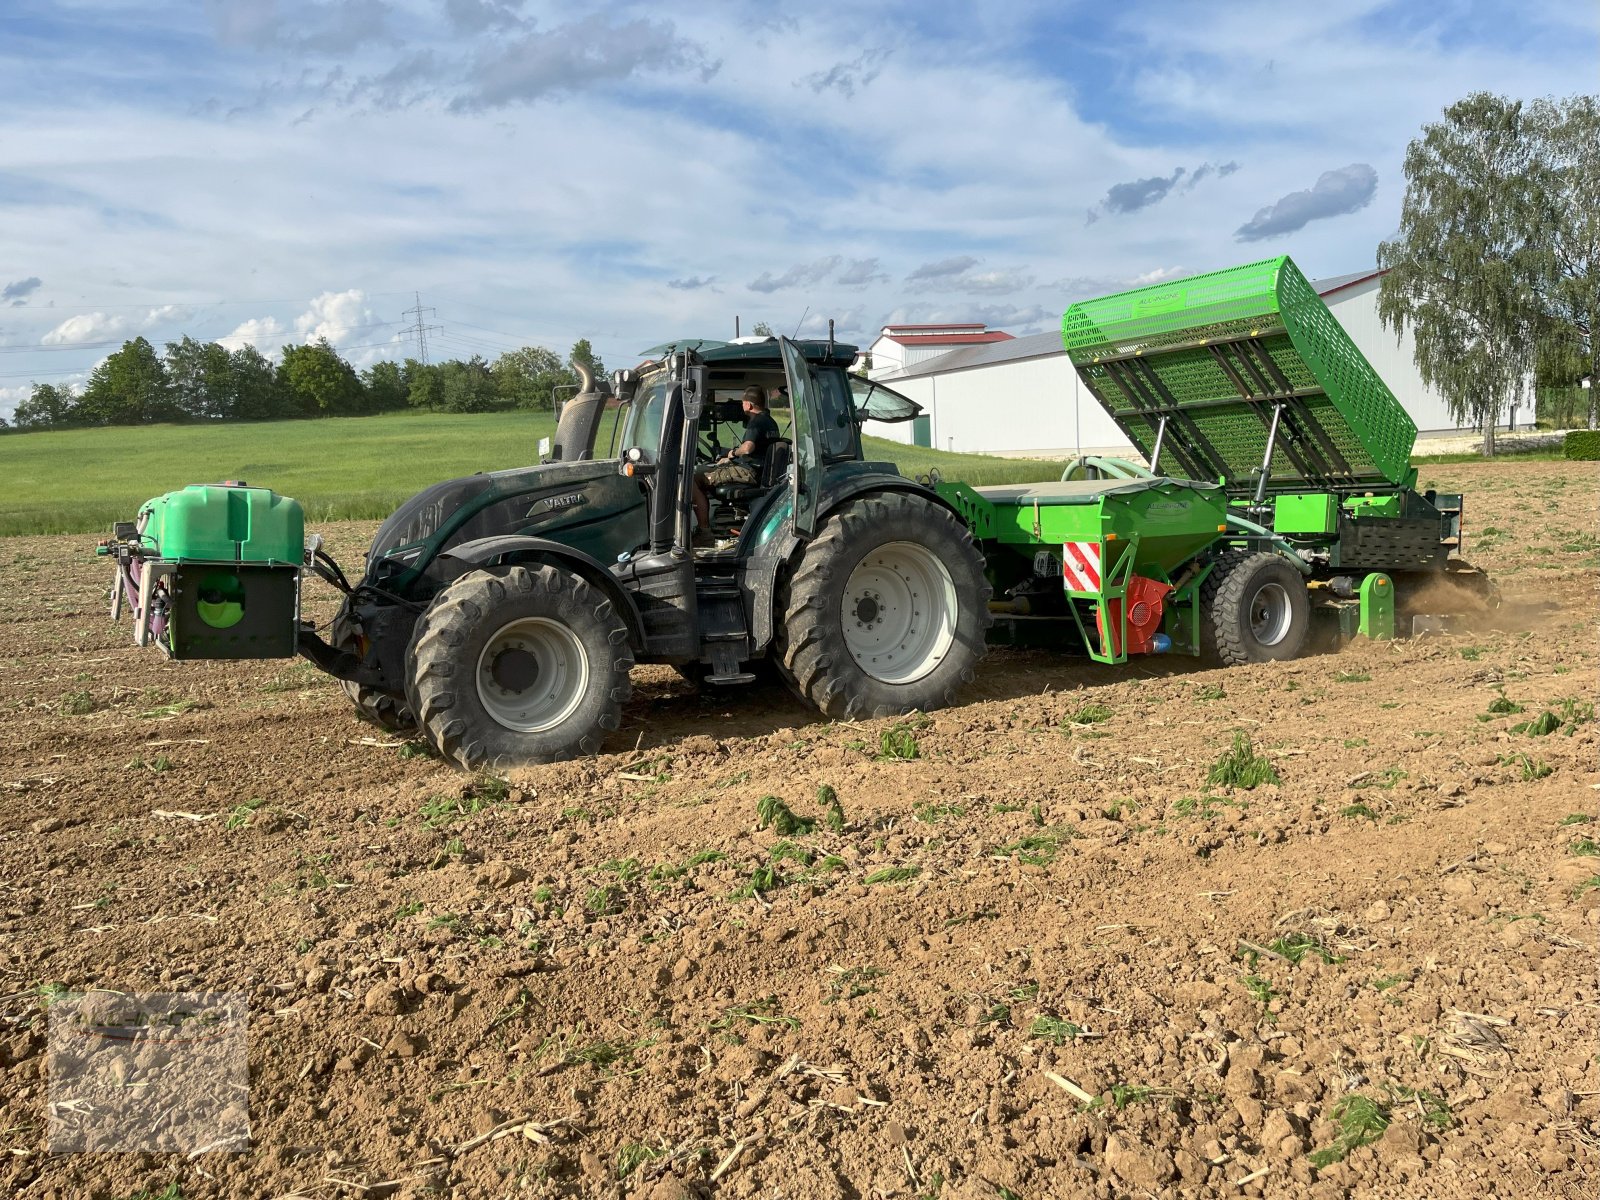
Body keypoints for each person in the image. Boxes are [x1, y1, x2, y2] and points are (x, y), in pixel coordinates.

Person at [694, 384, 781, 539]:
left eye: (742, 403)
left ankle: (704, 531)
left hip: (749, 472)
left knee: (694, 478)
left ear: (748, 404)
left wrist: (733, 453)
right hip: (759, 471)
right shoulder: (770, 422)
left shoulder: (756, 422)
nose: (742, 406)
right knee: (714, 468)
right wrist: (728, 459)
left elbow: (748, 448)